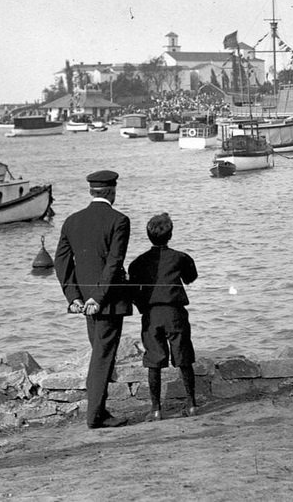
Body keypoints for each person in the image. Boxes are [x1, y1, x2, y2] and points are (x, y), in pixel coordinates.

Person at [54, 169, 133, 429]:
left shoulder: (72, 220)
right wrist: (98, 298)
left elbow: (61, 262)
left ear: (91, 191)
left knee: (99, 354)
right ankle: (95, 416)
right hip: (107, 301)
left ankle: (100, 411)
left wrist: (74, 296)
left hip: (85, 302)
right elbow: (114, 263)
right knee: (102, 357)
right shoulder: (119, 220)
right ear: (111, 191)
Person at [128, 212, 199, 420]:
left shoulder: (138, 263)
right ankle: (192, 404)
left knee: (154, 361)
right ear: (170, 234)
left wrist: (143, 306)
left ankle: (156, 409)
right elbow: (190, 278)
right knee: (184, 357)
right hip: (175, 312)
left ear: (148, 235)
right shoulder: (181, 257)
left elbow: (133, 292)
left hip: (151, 315)